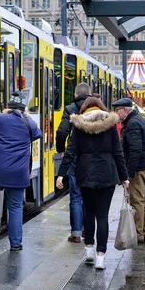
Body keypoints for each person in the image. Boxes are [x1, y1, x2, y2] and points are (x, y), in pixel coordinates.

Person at [56, 97, 128, 269]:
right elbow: (118, 153)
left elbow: (71, 151)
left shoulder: (79, 126)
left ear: (84, 110)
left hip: (85, 174)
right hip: (107, 175)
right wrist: (124, 177)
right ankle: (101, 257)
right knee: (102, 216)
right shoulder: (110, 126)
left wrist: (61, 174)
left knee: (89, 212)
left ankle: (88, 249)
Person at [0, 91, 43, 251]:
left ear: (8, 107)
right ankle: (16, 244)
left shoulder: (0, 119)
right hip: (18, 173)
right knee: (16, 208)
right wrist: (28, 117)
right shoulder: (28, 124)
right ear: (23, 108)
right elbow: (38, 134)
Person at [113, 98, 145, 243]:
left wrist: (129, 173)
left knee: (136, 201)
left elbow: (135, 150)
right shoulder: (138, 120)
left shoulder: (132, 124)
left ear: (125, 110)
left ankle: (138, 234)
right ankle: (144, 232)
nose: (116, 114)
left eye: (117, 110)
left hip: (139, 167)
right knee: (143, 200)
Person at [55, 82, 92, 243]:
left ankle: (76, 233)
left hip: (75, 156)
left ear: (75, 95)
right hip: (91, 157)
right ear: (89, 95)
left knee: (76, 196)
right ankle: (86, 230)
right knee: (88, 196)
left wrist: (61, 149)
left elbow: (62, 131)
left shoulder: (70, 109)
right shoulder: (96, 109)